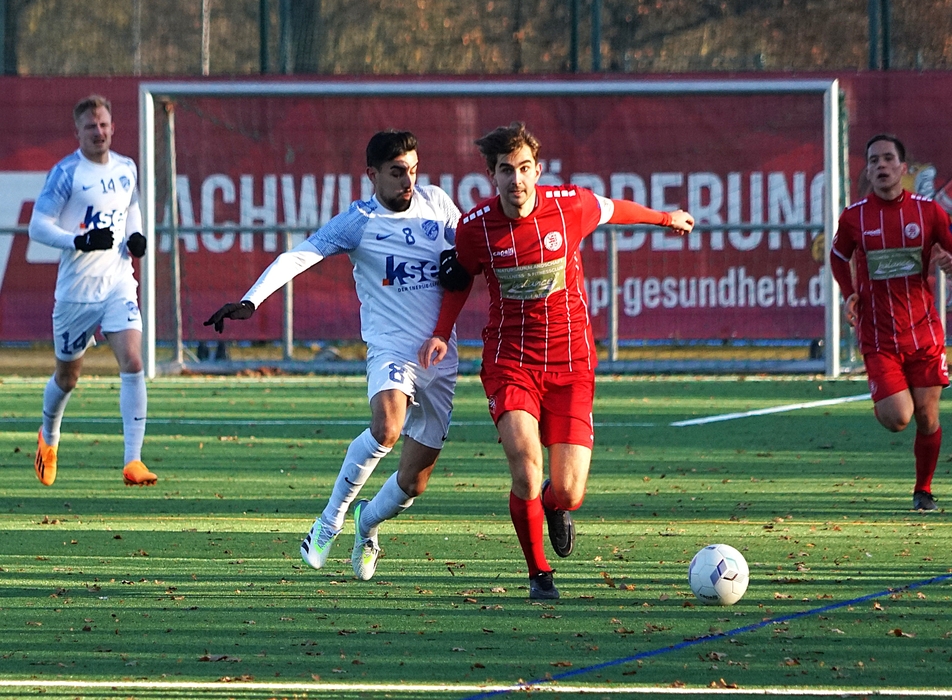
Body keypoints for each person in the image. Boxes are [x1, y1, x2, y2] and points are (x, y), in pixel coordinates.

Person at [418, 122, 694, 600]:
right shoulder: (475, 228)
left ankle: (553, 504)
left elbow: (615, 209)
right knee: (525, 467)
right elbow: (459, 280)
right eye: (506, 170)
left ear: (538, 171)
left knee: (568, 491)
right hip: (510, 362)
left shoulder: (570, 206)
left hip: (572, 364)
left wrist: (665, 218)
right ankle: (539, 574)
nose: (517, 179)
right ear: (492, 175)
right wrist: (441, 332)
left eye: (525, 168)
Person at [205, 130, 461, 581]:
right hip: (391, 349)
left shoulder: (437, 204)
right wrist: (252, 299)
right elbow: (300, 255)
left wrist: (460, 261)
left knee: (413, 483)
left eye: (413, 170)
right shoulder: (358, 221)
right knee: (387, 428)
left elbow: (473, 247)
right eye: (397, 172)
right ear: (372, 175)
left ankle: (367, 523)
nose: (408, 181)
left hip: (439, 357)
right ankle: (329, 521)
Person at [830, 134, 952, 512]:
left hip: (924, 333)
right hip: (878, 336)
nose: (881, 165)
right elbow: (837, 256)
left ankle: (923, 491)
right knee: (898, 418)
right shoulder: (854, 217)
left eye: (888, 158)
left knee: (927, 417)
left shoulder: (928, 212)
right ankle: (887, 394)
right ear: (867, 169)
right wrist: (849, 293)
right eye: (873, 160)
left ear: (903, 168)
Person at [28, 94, 157, 488]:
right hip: (77, 292)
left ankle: (133, 460)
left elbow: (131, 207)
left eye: (103, 125)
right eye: (90, 126)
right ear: (78, 132)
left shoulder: (126, 167)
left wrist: (136, 236)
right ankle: (49, 437)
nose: (98, 132)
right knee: (68, 378)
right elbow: (37, 226)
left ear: (113, 127)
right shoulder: (66, 173)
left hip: (118, 281)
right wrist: (79, 241)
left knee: (133, 361)